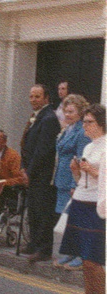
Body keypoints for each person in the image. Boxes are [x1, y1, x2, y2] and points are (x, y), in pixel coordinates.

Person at [63, 104, 106, 294]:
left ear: (100, 124)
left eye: (88, 122)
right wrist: (76, 172)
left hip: (96, 207)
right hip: (81, 201)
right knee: (84, 257)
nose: (84, 126)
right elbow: (84, 183)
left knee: (94, 259)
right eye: (84, 121)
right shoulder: (89, 147)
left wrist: (95, 172)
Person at [21, 84, 62, 262]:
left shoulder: (49, 118)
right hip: (31, 171)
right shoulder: (37, 117)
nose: (33, 100)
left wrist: (29, 172)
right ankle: (34, 243)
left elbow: (43, 150)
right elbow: (27, 145)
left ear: (46, 98)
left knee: (42, 211)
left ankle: (43, 249)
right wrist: (23, 168)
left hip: (42, 174)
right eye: (31, 96)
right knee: (33, 210)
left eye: (37, 97)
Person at [53, 94, 90, 268]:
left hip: (72, 181)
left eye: (71, 111)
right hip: (62, 179)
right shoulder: (68, 129)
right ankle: (69, 251)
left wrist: (77, 184)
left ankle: (80, 255)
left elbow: (82, 159)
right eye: (65, 111)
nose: (67, 115)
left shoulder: (81, 132)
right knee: (67, 219)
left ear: (81, 112)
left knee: (76, 220)